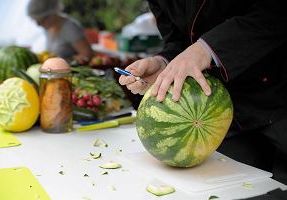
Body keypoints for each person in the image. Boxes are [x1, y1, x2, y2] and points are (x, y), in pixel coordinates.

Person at [119, 0, 287, 186]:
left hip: (278, 94)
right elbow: (176, 41)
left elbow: (275, 13)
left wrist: (206, 49)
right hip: (217, 112)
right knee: (238, 188)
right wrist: (163, 63)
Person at [27, 0, 93, 64]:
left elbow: (87, 54)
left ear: (52, 13)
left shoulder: (70, 28)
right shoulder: (48, 27)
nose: (38, 25)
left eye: (41, 20)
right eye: (36, 21)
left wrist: (68, 60)